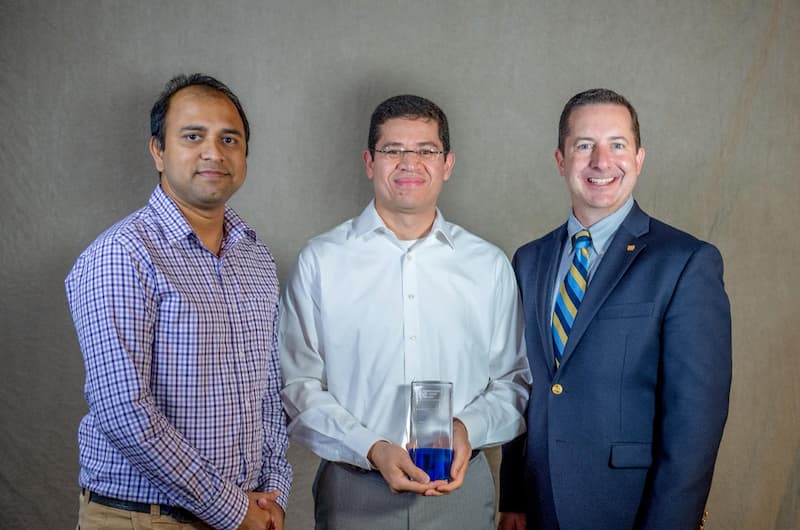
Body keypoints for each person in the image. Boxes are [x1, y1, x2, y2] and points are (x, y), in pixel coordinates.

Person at [279, 94, 532, 529]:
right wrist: (371, 446)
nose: (409, 163)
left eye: (426, 150)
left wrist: (466, 429)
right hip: (352, 493)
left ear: (447, 163)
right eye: (393, 150)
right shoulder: (321, 262)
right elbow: (297, 386)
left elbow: (515, 383)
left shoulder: (487, 265)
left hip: (460, 492)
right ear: (369, 161)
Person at [498, 88, 732, 530]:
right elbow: (522, 382)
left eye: (617, 145)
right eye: (584, 145)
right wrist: (513, 497)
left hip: (630, 509)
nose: (601, 161)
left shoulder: (685, 262)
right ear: (560, 160)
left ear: (639, 158)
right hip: (539, 504)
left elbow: (695, 422)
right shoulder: (529, 260)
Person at [66, 73, 291, 530]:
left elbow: (269, 390)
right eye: (193, 136)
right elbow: (124, 412)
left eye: (230, 138)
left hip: (250, 512)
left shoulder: (255, 256)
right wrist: (234, 510)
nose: (214, 151)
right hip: (144, 519)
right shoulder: (121, 255)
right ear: (158, 151)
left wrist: (275, 494)